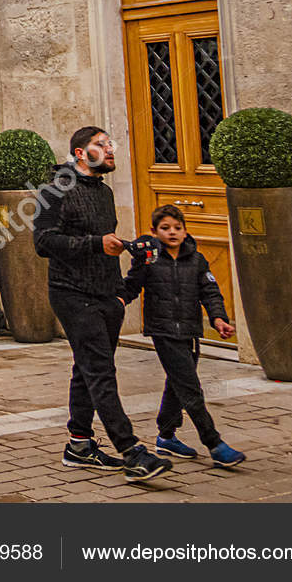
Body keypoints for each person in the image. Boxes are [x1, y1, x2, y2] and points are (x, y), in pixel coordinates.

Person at [35, 126, 171, 483]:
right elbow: (44, 242)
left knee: (87, 368)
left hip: (105, 295)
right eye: (101, 144)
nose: (111, 149)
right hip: (71, 294)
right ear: (80, 153)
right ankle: (132, 451)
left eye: (110, 144)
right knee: (100, 371)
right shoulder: (54, 191)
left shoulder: (105, 192)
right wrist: (97, 244)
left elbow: (103, 241)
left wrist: (120, 285)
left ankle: (79, 445)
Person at [123, 205, 245, 467]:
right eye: (165, 228)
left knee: (177, 383)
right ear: (155, 232)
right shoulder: (150, 258)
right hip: (163, 330)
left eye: (177, 228)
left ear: (185, 230)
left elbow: (210, 292)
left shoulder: (197, 259)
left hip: (189, 330)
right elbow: (132, 285)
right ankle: (214, 443)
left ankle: (166, 436)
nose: (172, 233)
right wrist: (117, 301)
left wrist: (219, 318)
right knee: (190, 388)